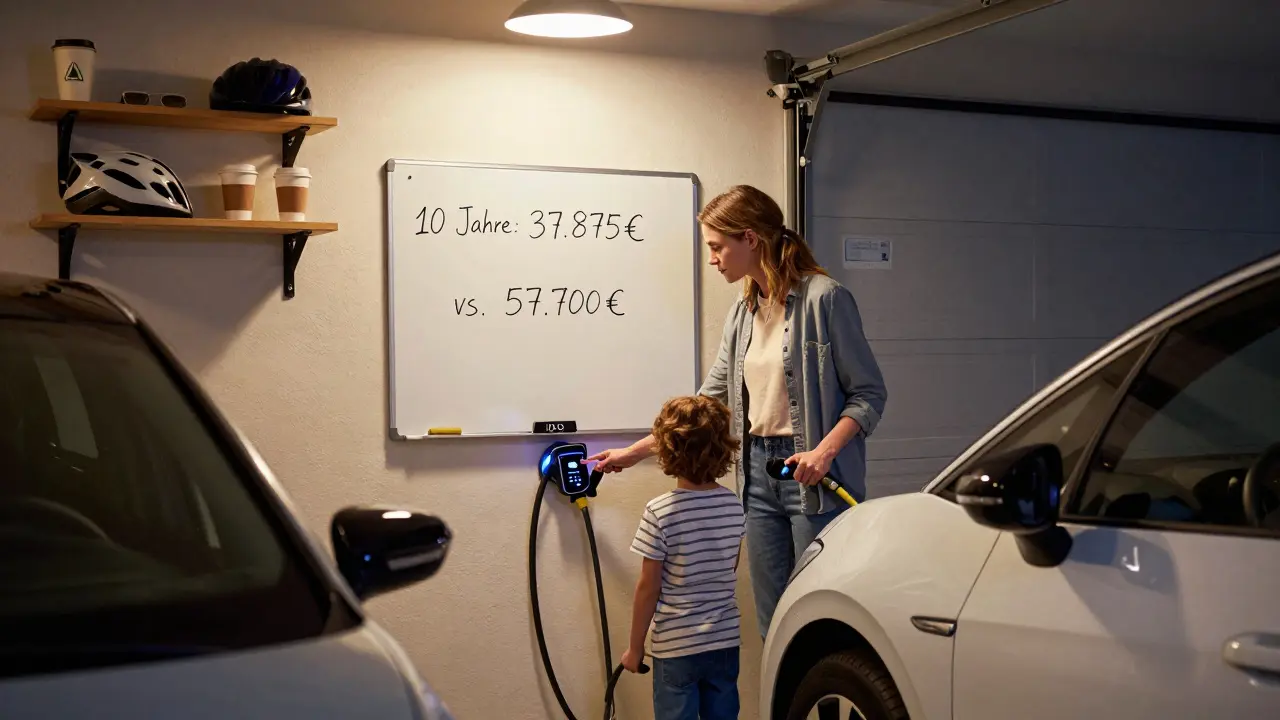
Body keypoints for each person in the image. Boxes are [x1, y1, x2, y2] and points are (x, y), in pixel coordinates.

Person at [590, 184, 887, 636]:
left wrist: (823, 453)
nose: (712, 259)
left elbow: (868, 395)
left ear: (750, 239)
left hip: (815, 480)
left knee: (819, 619)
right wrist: (632, 454)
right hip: (757, 478)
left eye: (717, 247)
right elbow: (707, 403)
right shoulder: (743, 311)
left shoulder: (825, 299)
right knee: (773, 621)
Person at [623, 395, 745, 720]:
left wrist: (635, 649)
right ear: (724, 448)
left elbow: (648, 588)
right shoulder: (733, 505)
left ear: (666, 449)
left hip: (676, 646)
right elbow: (728, 568)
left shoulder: (659, 512)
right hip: (724, 641)